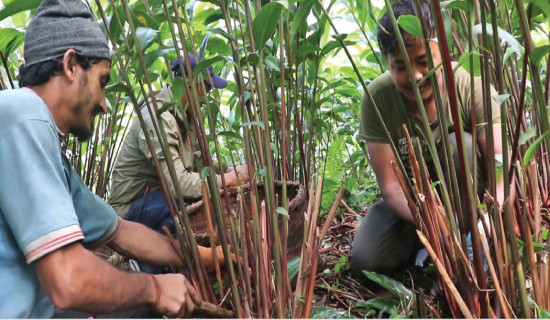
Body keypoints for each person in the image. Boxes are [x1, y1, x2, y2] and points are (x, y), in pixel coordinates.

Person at [0, 0, 228, 317]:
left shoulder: (48, 150)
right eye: (103, 82)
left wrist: (203, 256)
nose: (105, 104)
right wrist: (155, 288)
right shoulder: (22, 115)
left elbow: (120, 231)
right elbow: (68, 282)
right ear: (69, 66)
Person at [350, 0, 504, 276]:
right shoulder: (377, 98)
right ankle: (428, 251)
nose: (416, 76)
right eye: (400, 67)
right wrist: (434, 225)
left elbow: (501, 167)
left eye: (424, 62)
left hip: (470, 202)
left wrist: (491, 220)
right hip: (415, 207)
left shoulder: (472, 86)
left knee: (462, 145)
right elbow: (391, 187)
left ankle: (471, 247)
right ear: (386, 63)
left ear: (442, 50)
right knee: (365, 260)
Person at [109, 52, 248, 235]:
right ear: (191, 87)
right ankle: (147, 262)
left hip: (160, 198)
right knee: (188, 205)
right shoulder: (158, 117)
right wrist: (225, 181)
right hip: (128, 210)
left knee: (203, 201)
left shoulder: (185, 115)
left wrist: (228, 170)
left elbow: (198, 161)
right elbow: (179, 185)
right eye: (205, 91)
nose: (206, 100)